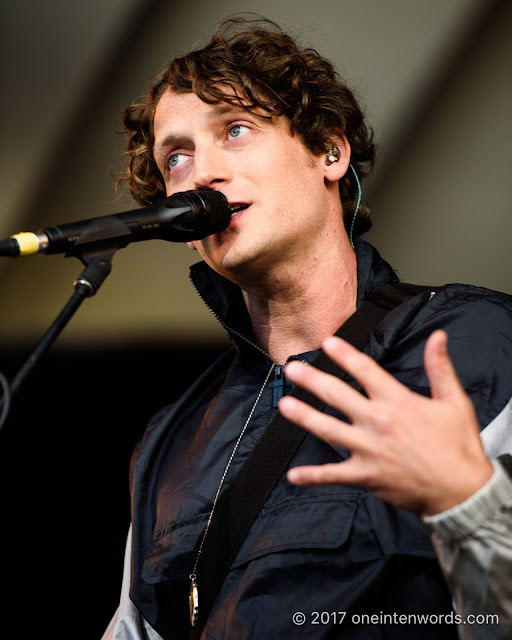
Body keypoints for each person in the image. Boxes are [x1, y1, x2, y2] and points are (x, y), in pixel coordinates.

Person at [103, 15, 512, 640]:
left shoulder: (482, 339)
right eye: (176, 158)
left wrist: (468, 501)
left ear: (329, 151)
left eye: (235, 130)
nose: (201, 173)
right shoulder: (168, 440)